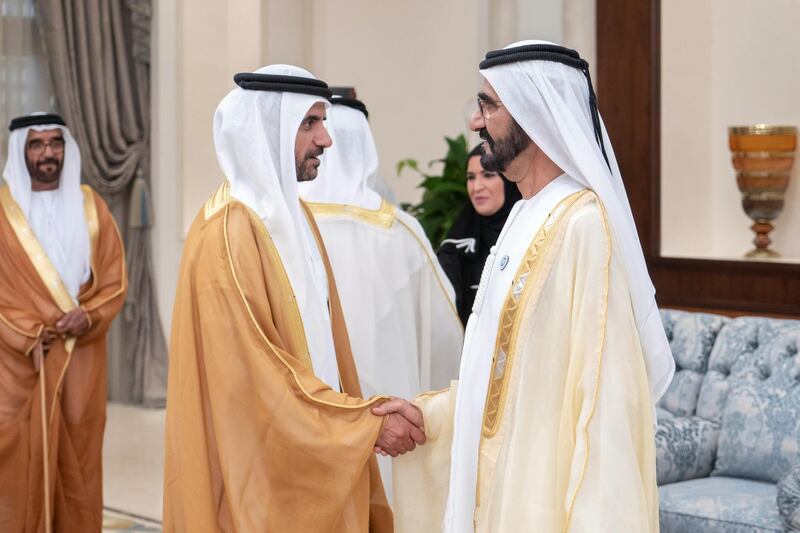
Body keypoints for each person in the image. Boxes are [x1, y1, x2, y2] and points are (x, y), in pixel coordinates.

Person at [385, 41, 676, 532]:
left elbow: (604, 410)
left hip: (539, 505)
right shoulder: (521, 215)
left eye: (489, 105)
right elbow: (501, 379)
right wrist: (426, 415)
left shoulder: (584, 225)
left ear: (533, 112)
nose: (476, 122)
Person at [163, 65, 425, 533]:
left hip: (312, 451)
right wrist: (360, 424)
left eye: (322, 123)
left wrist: (352, 420)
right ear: (266, 130)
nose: (326, 139)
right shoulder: (228, 232)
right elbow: (256, 379)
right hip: (260, 475)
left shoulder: (294, 215)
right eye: (310, 124)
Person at [299, 94, 463, 499]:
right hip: (391, 418)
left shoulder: (286, 226)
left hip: (309, 417)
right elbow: (446, 341)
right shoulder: (402, 231)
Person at [0, 113, 127, 532]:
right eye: (37, 145)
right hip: (19, 361)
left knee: (80, 450)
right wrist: (26, 331)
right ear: (22, 151)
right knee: (17, 452)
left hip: (81, 352)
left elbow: (113, 277)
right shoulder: (3, 213)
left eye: (55, 143)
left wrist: (89, 315)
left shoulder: (92, 206)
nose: (48, 153)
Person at [437, 144, 521, 325]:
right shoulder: (455, 249)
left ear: (509, 181)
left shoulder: (530, 236)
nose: (477, 187)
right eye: (470, 178)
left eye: (488, 175)